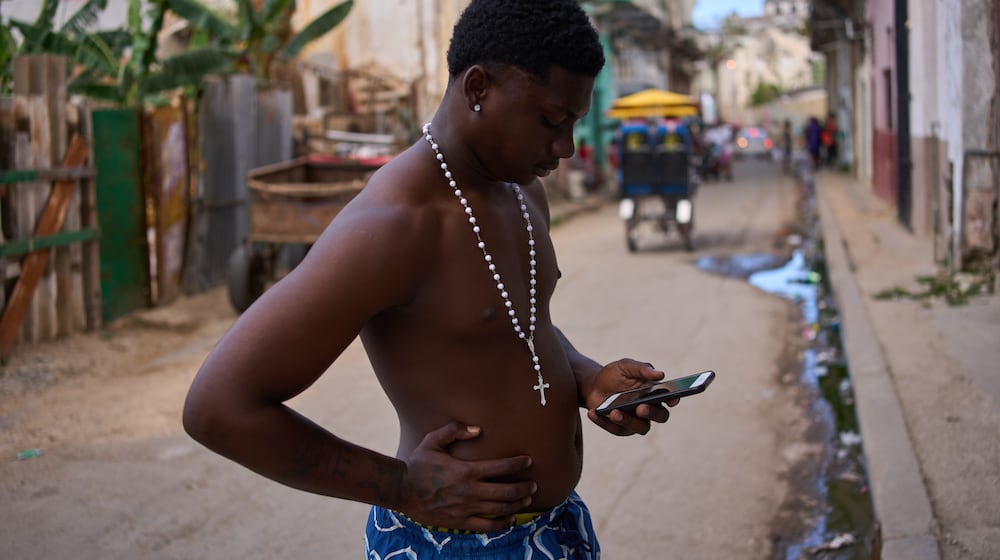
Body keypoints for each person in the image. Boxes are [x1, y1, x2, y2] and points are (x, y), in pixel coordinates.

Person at [182, 1, 676, 558]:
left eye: (574, 123)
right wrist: (401, 487)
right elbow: (218, 406)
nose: (564, 147)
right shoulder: (394, 225)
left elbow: (514, 327)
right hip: (455, 546)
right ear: (478, 88)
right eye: (550, 120)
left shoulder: (520, 189)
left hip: (558, 528)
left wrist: (589, 379)